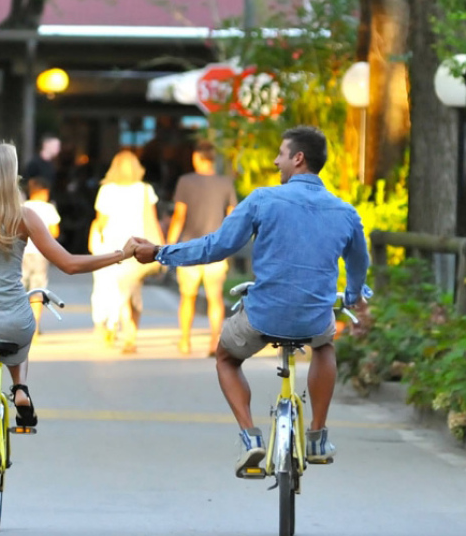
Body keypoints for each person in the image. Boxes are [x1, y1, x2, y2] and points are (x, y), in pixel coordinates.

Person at [131, 126, 371, 475]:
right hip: (314, 316)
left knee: (226, 357)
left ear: (298, 158)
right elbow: (358, 262)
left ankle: (249, 437)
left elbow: (217, 246)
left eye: (281, 153)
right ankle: (318, 435)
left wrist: (160, 252)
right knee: (324, 346)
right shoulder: (346, 212)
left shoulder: (262, 199)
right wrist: (353, 296)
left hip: (264, 316)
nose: (276, 160)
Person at [0, 143, 137, 498]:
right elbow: (69, 264)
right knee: (19, 330)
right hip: (13, 322)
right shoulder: (24, 216)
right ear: (8, 179)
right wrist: (121, 253)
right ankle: (20, 390)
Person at [89, 149, 165, 353]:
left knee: (119, 288)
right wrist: (161, 245)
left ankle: (116, 325)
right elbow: (153, 219)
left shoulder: (107, 190)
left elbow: (101, 221)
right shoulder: (145, 189)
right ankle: (130, 333)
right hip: (139, 245)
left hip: (114, 246)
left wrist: (94, 236)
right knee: (134, 290)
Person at [167, 140, 237, 357]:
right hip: (216, 249)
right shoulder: (225, 183)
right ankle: (214, 342)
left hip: (189, 248)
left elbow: (179, 215)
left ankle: (185, 341)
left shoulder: (186, 181)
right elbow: (234, 215)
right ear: (213, 159)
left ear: (196, 158)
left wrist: (169, 246)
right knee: (215, 297)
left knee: (187, 297)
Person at [21, 176, 61, 335]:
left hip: (22, 253)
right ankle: (35, 325)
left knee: (21, 288)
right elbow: (54, 232)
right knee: (38, 289)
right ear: (44, 192)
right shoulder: (48, 208)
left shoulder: (22, 206)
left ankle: (22, 323)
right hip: (40, 253)